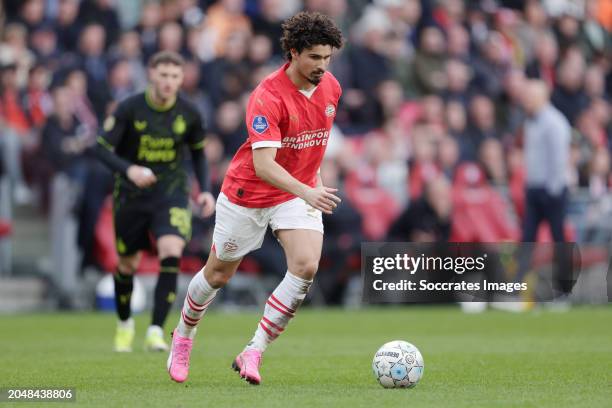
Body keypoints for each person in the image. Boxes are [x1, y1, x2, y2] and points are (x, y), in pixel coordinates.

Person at [167, 12, 344, 385]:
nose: (322, 66)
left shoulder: (332, 88)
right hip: (250, 192)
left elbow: (312, 144)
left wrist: (312, 184)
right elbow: (264, 165)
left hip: (297, 191)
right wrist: (308, 189)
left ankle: (254, 349)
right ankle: (183, 336)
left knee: (306, 265)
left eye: (327, 58)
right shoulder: (267, 95)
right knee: (218, 274)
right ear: (293, 53)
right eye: (314, 57)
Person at [93, 51, 215, 352]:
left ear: (182, 78)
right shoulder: (130, 108)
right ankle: (124, 324)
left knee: (171, 251)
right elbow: (101, 148)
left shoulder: (190, 113)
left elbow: (199, 154)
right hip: (132, 194)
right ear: (151, 74)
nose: (169, 82)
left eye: (175, 76)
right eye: (163, 75)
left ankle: (156, 330)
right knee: (127, 264)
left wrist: (205, 190)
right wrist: (129, 169)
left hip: (171, 190)